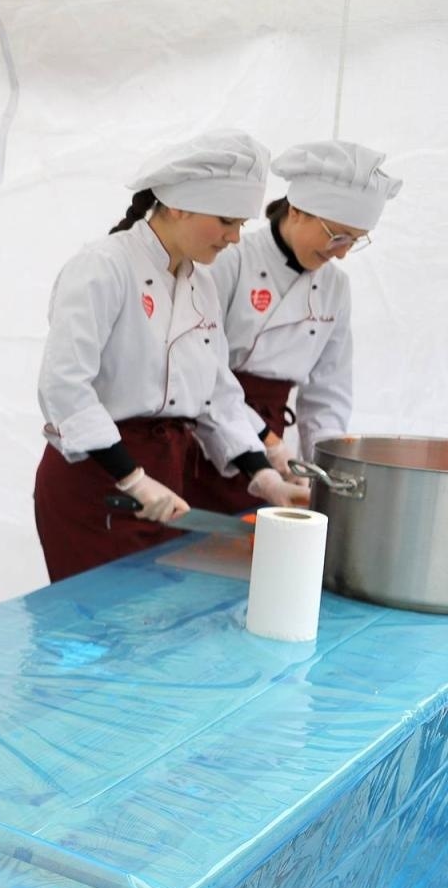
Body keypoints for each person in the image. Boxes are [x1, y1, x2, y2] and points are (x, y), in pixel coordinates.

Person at [34, 130, 310, 582]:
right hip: (97, 481)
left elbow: (218, 394)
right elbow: (65, 387)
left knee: (149, 627)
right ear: (179, 204)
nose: (235, 239)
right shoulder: (103, 267)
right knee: (95, 631)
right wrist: (131, 478)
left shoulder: (200, 284)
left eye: (241, 224)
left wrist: (262, 476)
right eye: (226, 221)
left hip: (167, 478)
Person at [185, 141, 402, 514]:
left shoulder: (335, 287)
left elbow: (327, 394)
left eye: (356, 239)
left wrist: (322, 470)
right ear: (298, 211)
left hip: (270, 435)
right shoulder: (231, 259)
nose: (343, 251)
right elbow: (202, 368)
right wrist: (266, 442)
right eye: (338, 235)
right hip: (202, 427)